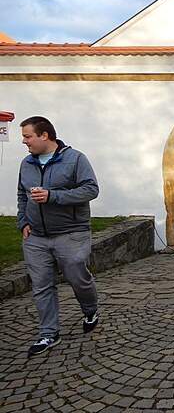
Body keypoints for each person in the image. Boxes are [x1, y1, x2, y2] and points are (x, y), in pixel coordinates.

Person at [17, 116, 100, 356]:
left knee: (78, 277)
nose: (24, 141)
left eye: (27, 136)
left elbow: (90, 189)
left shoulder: (75, 159)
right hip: (36, 236)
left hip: (71, 233)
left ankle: (91, 309)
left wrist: (53, 196)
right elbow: (22, 195)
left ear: (44, 135)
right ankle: (48, 333)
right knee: (42, 286)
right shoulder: (26, 163)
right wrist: (22, 221)